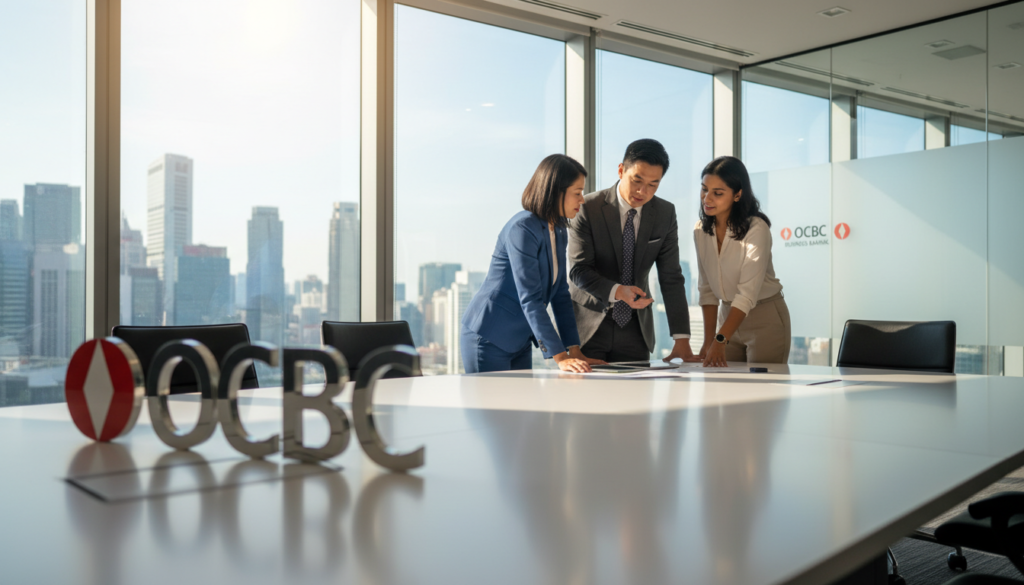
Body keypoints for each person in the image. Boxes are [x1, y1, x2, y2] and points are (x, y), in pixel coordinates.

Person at [461, 154, 605, 374]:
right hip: (489, 336)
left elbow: (560, 295)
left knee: (520, 407)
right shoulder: (523, 228)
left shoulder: (558, 230)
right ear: (557, 191)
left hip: (519, 340)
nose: (582, 200)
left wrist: (574, 350)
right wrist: (560, 357)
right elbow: (530, 297)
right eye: (577, 193)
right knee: (494, 408)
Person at [568, 139, 695, 364]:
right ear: (621, 170)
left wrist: (682, 338)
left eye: (653, 185)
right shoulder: (588, 208)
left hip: (636, 329)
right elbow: (579, 270)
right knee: (586, 398)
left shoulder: (665, 213)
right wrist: (618, 291)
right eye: (637, 180)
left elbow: (671, 277)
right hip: (589, 325)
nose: (642, 191)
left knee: (637, 397)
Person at [694, 156, 791, 366]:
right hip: (727, 315)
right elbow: (706, 290)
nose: (707, 198)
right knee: (724, 390)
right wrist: (709, 338)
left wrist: (720, 338)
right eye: (704, 189)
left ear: (737, 194)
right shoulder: (700, 231)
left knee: (764, 392)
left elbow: (747, 293)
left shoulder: (756, 229)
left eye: (717, 193)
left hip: (764, 317)